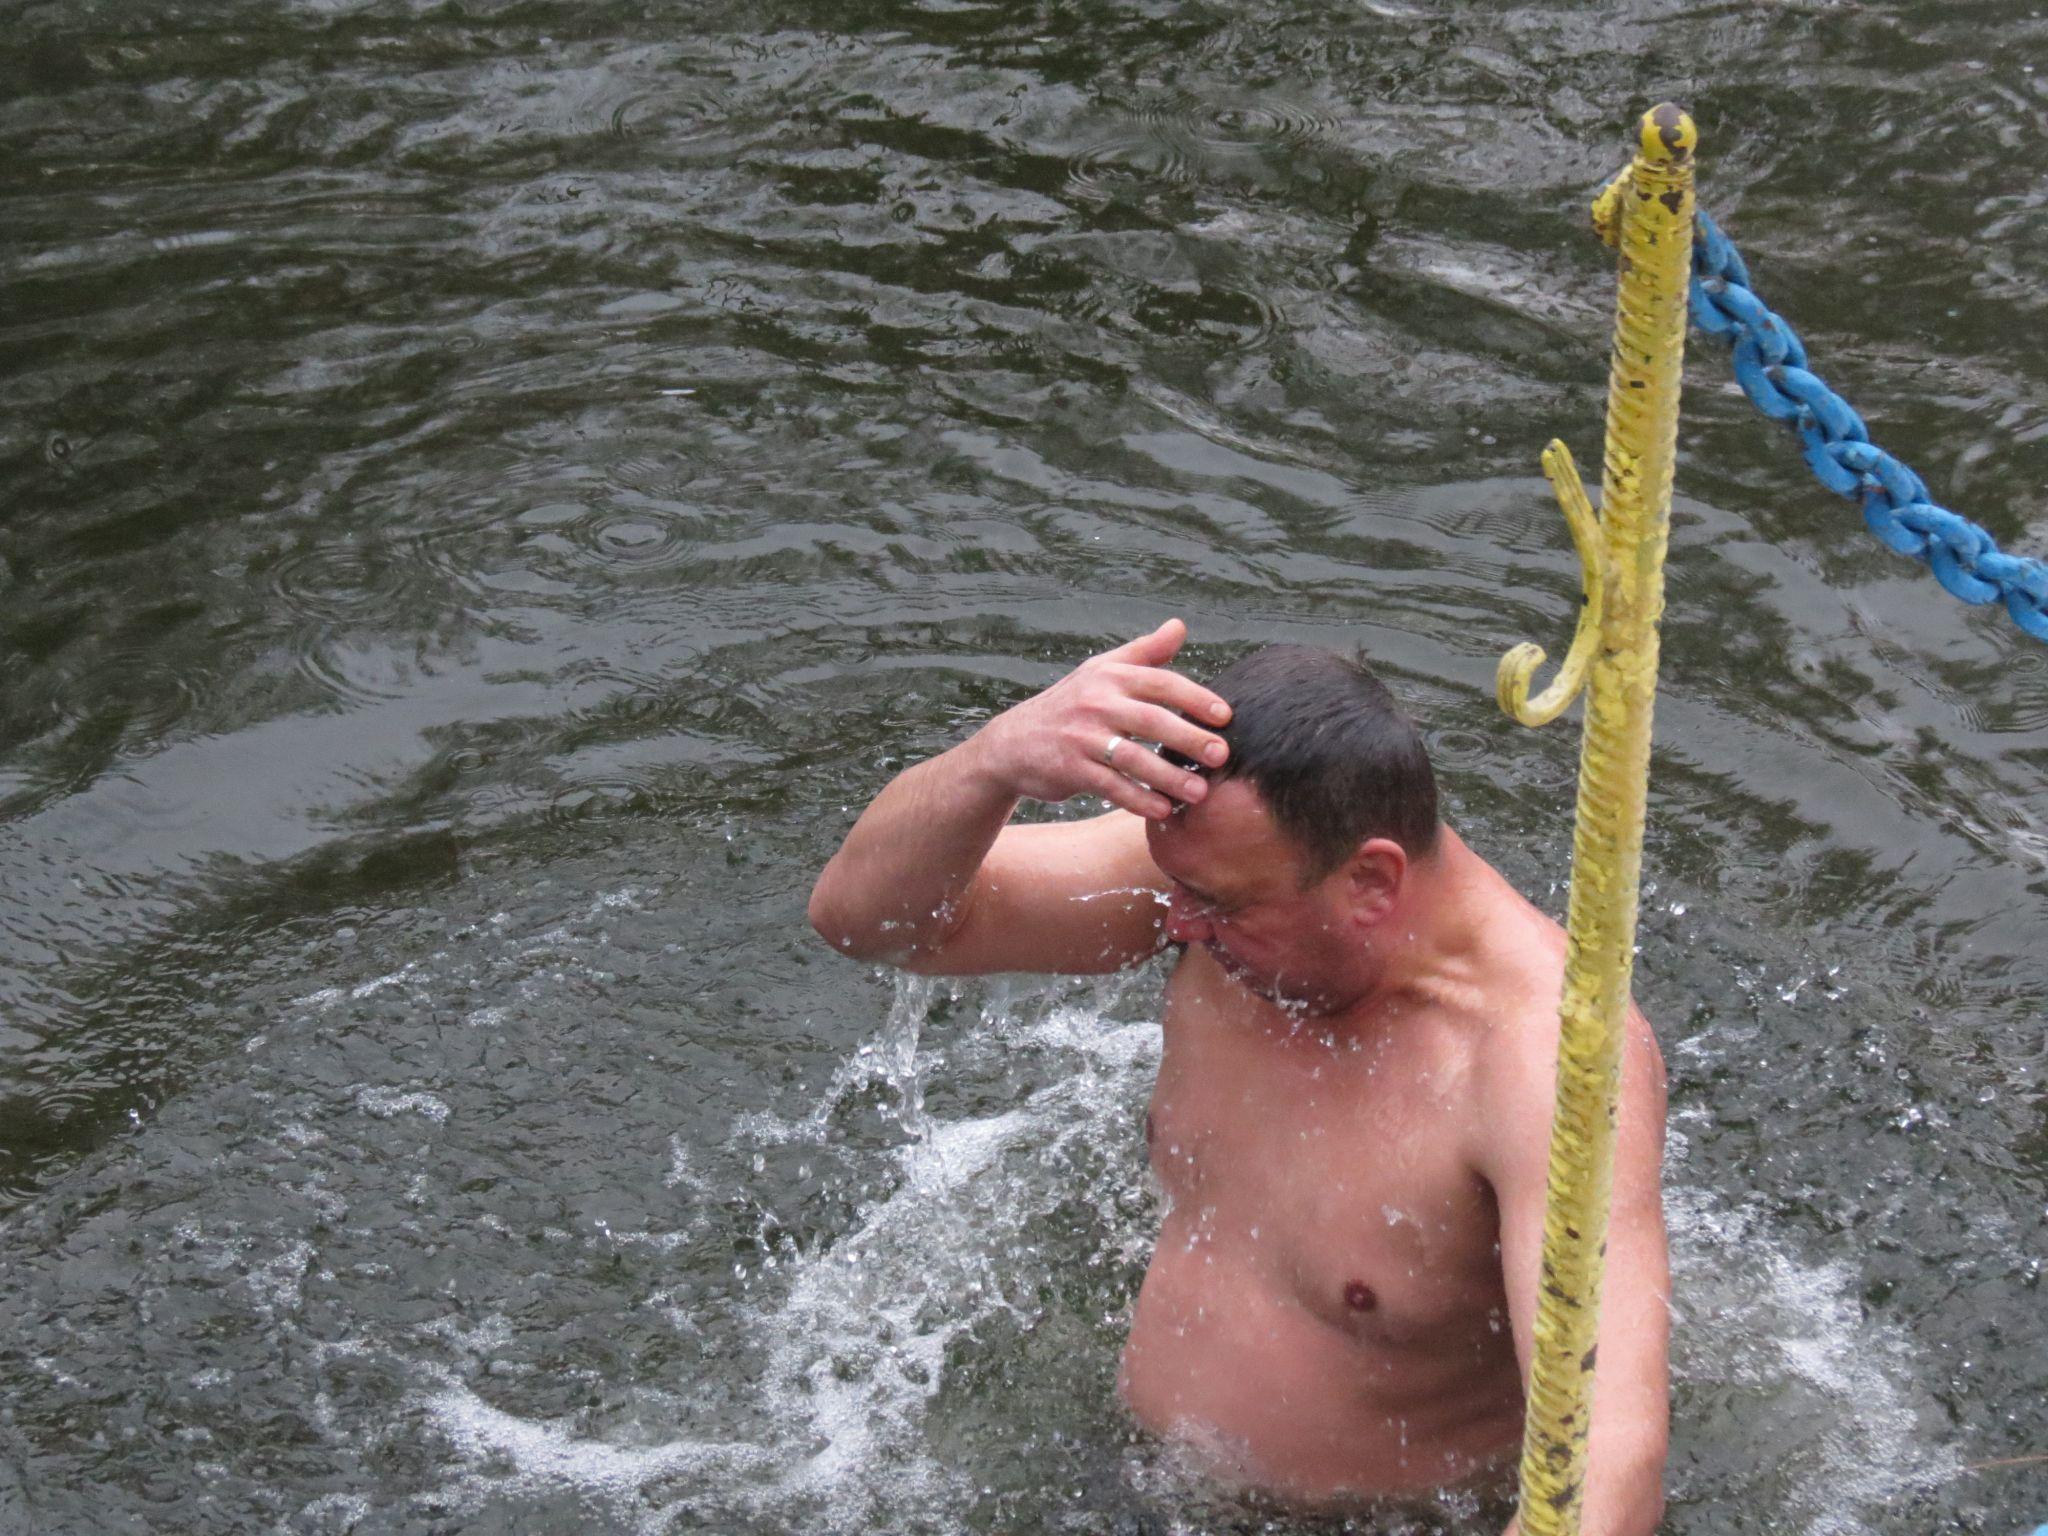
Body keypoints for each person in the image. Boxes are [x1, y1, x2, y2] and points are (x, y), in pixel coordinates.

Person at [807, 618, 1670, 1535]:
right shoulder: (1213, 876)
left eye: (1216, 904)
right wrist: (993, 762)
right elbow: (866, 922)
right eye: (1177, 886)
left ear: (1371, 882)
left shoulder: (1544, 1061)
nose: (1176, 923)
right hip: (1132, 1476)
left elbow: (1611, 1464)